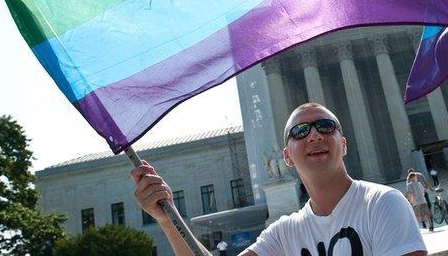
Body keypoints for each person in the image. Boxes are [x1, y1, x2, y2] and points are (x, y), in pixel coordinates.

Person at [131, 103, 427, 256]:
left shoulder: (382, 204)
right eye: (300, 132)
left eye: (325, 126)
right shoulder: (285, 233)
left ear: (344, 144)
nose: (314, 135)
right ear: (286, 156)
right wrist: (168, 221)